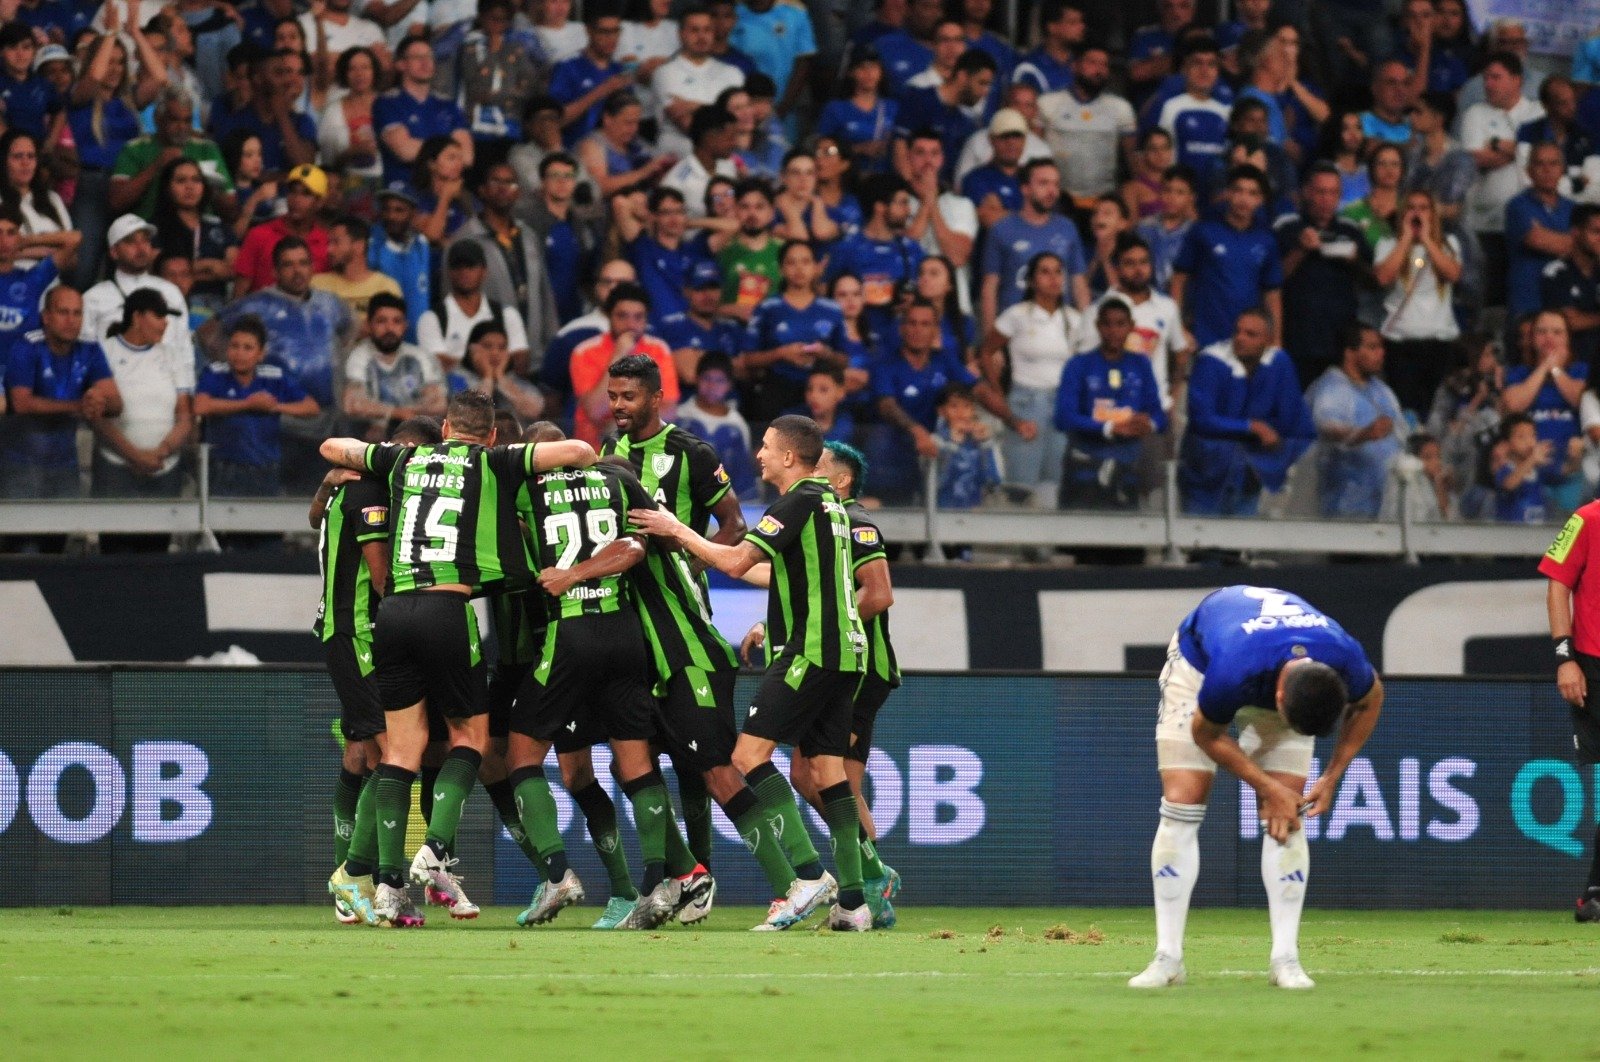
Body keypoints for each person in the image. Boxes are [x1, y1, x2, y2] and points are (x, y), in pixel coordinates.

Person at [317, 390, 599, 928]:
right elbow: (582, 452)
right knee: (470, 736)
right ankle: (436, 848)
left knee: (402, 748)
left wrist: (359, 457)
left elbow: (333, 445)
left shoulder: (402, 458)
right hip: (448, 609)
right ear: (491, 434)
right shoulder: (494, 459)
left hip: (393, 611)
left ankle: (389, 887)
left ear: (445, 427)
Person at [629, 413, 871, 930]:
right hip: (849, 650)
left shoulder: (798, 500)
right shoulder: (832, 504)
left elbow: (737, 562)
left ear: (788, 456)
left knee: (746, 755)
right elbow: (781, 569)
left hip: (809, 650)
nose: (757, 455)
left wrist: (676, 529)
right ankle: (854, 902)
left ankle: (807, 877)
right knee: (829, 773)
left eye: (764, 446)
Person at [602, 353, 816, 919]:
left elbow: (734, 528)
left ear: (655, 397)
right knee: (633, 764)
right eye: (613, 395)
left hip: (687, 638)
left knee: (717, 769)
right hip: (630, 637)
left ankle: (791, 882)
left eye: (628, 397)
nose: (618, 406)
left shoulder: (691, 453)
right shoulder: (608, 456)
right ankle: (679, 876)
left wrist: (684, 557)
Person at [1129, 585, 1384, 991]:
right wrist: (1266, 786)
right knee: (1182, 801)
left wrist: (1331, 776)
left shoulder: (1345, 657)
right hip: (1199, 665)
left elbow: (1371, 700)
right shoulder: (1232, 671)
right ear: (1280, 698)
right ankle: (1168, 957)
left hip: (1272, 651)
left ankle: (1286, 959)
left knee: (1288, 815)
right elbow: (1207, 734)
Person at [314, 413, 444, 926]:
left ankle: (359, 884)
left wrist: (324, 487)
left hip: (344, 630)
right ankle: (355, 874)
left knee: (370, 754)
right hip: (359, 634)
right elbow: (381, 574)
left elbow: (313, 521)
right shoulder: (373, 490)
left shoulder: (349, 486)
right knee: (395, 753)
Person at [218, 235, 354, 489]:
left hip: (326, 422)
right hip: (277, 421)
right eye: (288, 265)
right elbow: (210, 335)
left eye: (303, 263)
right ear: (275, 270)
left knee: (318, 498)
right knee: (276, 499)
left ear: (313, 266)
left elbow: (350, 333)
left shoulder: (332, 304)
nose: (297, 271)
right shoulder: (255, 305)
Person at [872, 297, 1032, 504]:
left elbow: (980, 390)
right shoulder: (886, 364)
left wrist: (1014, 421)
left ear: (935, 330)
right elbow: (887, 406)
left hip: (939, 452)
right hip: (895, 454)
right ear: (902, 328)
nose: (918, 330)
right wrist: (916, 430)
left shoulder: (945, 360)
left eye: (925, 324)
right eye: (912, 323)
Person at [1180, 308, 1314, 517]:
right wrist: (1252, 427)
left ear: (1268, 341)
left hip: (1249, 478)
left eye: (1250, 334)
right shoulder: (1210, 361)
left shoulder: (1279, 363)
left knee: (1241, 543)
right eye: (1237, 331)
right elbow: (1201, 420)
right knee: (1199, 542)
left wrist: (1273, 464)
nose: (1240, 338)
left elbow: (1295, 423)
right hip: (1206, 476)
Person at [1, 286, 122, 501]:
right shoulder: (27, 345)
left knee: (62, 533)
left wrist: (97, 400)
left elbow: (116, 404)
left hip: (66, 464)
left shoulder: (90, 349)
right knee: (23, 534)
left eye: (77, 313)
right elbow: (22, 404)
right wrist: (79, 406)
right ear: (46, 317)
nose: (71, 320)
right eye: (63, 312)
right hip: (21, 464)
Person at [1541, 478, 1600, 917]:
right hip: (1594, 663)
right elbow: (1557, 585)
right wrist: (1565, 657)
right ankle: (1593, 891)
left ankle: (1592, 893)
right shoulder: (1585, 519)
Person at [980, 250, 1076, 505]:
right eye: (1045, 272)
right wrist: (998, 392)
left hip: (1061, 404)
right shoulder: (1018, 314)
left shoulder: (1074, 319)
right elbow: (986, 352)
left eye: (1058, 271)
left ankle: (1046, 541)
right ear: (1031, 280)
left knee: (1054, 479)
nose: (1053, 278)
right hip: (1026, 401)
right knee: (1021, 482)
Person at [1056, 298, 1166, 510]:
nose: (1113, 331)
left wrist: (1148, 424)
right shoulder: (1079, 364)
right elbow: (1063, 417)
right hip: (1085, 467)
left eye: (1120, 324)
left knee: (1126, 538)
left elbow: (1158, 414)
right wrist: (1109, 427)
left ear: (1131, 327)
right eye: (1107, 324)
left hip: (1129, 468)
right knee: (1079, 538)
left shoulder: (1141, 363)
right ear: (1098, 326)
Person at [88, 287, 193, 507]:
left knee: (158, 540)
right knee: (115, 539)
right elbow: (96, 417)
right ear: (137, 317)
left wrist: (161, 452)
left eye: (166, 317)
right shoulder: (103, 353)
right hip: (115, 467)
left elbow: (184, 415)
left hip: (165, 467)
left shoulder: (173, 356)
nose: (164, 323)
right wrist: (134, 455)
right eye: (158, 316)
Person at [449, 161, 560, 368]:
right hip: (485, 360)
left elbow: (544, 293)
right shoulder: (466, 239)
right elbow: (452, 300)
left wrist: (552, 345)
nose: (503, 188)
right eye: (496, 181)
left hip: (533, 353)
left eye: (510, 183)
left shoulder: (528, 235)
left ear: (518, 192)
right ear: (481, 190)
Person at [193, 313, 318, 495]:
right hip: (222, 470)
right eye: (234, 346)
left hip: (265, 469)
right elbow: (200, 406)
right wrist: (248, 404)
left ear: (261, 354)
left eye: (247, 348)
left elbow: (311, 407)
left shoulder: (274, 376)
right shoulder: (215, 372)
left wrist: (274, 407)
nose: (239, 354)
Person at [1274, 163, 1372, 386]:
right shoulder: (1287, 226)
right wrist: (1300, 250)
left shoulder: (1351, 230)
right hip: (1297, 336)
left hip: (1340, 338)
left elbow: (1372, 281)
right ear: (1307, 192)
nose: (1327, 199)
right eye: (1321, 192)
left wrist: (1354, 260)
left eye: (1333, 193)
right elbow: (1273, 280)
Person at [1461, 51, 1544, 306]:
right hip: (1488, 224)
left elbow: (1542, 158)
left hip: (1532, 225)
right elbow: (1474, 159)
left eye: (1496, 78)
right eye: (1486, 78)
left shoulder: (1537, 112)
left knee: (1526, 298)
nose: (1488, 84)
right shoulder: (1475, 113)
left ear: (1517, 80)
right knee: (1490, 297)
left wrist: (1496, 145)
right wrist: (1521, 149)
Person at [1170, 165, 1283, 351]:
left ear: (1260, 200)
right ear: (1228, 193)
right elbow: (1178, 280)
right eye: (1238, 191)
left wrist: (1276, 339)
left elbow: (1272, 294)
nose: (1244, 199)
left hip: (1248, 343)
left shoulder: (1267, 241)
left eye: (1252, 193)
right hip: (1205, 339)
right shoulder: (1203, 231)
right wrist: (1178, 328)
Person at [1375, 189, 1463, 417]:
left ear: (1433, 214)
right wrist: (1405, 238)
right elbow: (1384, 277)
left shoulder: (1449, 244)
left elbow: (1452, 274)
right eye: (1411, 207)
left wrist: (1426, 239)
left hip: (1439, 342)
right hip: (1401, 343)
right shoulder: (1387, 244)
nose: (1417, 213)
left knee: (1435, 413)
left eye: (1424, 208)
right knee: (1406, 413)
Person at [1306, 323, 1406, 519]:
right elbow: (1327, 428)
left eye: (1381, 347)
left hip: (1385, 505)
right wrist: (1363, 434)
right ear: (1350, 353)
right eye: (1372, 347)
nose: (1381, 353)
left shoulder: (1383, 390)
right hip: (1345, 505)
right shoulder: (1332, 388)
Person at [742, 239, 847, 424]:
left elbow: (844, 360)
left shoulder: (832, 309)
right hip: (776, 390)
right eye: (791, 262)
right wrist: (780, 354)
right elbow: (748, 359)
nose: (799, 269)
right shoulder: (767, 308)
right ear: (781, 269)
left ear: (816, 267)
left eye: (805, 262)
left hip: (820, 394)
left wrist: (825, 353)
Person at [1080, 234, 1189, 412]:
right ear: (1117, 268)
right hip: (1110, 409)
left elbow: (1181, 354)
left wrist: (1171, 397)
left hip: (1154, 409)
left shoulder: (1167, 307)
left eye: (1144, 262)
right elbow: (1085, 361)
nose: (1139, 270)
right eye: (1130, 263)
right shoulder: (1097, 309)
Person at [979, 159, 1087, 334]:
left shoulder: (1067, 228)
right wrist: (990, 340)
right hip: (1014, 329)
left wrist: (1086, 329)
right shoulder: (1001, 229)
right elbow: (990, 287)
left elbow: (1078, 282)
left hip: (1059, 328)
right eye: (1043, 183)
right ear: (1025, 188)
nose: (1052, 191)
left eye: (1056, 184)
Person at [568, 281, 678, 446]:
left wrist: (629, 423)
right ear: (608, 316)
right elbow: (596, 411)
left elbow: (669, 410)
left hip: (645, 450)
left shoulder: (658, 349)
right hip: (595, 450)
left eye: (638, 317)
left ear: (646, 318)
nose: (630, 324)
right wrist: (619, 355)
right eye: (622, 316)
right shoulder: (585, 352)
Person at [80, 214, 193, 374]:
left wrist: (187, 390)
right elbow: (84, 353)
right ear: (114, 252)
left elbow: (184, 348)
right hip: (116, 384)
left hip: (165, 383)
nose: (141, 248)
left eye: (145, 240)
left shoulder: (171, 292)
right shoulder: (93, 298)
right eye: (130, 241)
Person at [1501, 310, 1588, 513]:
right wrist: (1544, 368)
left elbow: (1581, 400)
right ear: (1532, 339)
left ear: (1567, 338)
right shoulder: (1519, 373)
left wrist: (1556, 370)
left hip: (1572, 472)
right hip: (1529, 472)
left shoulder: (1580, 370)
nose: (1549, 337)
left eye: (1557, 332)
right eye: (1542, 332)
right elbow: (1514, 406)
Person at [824, 173, 923, 340]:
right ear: (880, 207)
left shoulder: (912, 250)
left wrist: (914, 300)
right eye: (902, 203)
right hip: (856, 340)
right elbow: (825, 290)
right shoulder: (847, 248)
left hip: (898, 340)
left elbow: (923, 294)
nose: (908, 210)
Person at [1038, 44, 1136, 210]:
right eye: (1092, 63)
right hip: (1057, 200)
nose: (1099, 70)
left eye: (1104, 65)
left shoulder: (1121, 108)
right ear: (1075, 66)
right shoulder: (1048, 104)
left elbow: (1132, 159)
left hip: (1103, 201)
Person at [416, 239, 530, 375]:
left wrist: (475, 364)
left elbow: (520, 360)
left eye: (471, 266)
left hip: (502, 392)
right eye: (457, 266)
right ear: (449, 272)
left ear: (484, 271)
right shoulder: (431, 319)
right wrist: (488, 365)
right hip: (455, 394)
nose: (464, 272)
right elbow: (437, 364)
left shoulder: (507, 314)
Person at [342, 292, 446, 439]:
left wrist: (403, 416)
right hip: (370, 441)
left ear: (405, 326)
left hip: (417, 437)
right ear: (368, 324)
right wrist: (398, 413)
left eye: (397, 321)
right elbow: (352, 404)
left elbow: (439, 404)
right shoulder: (358, 357)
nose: (389, 328)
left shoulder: (419, 357)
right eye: (381, 321)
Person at [652, 7, 744, 161]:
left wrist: (694, 106)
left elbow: (740, 121)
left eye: (707, 30)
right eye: (694, 30)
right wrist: (723, 111)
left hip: (725, 158)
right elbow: (689, 125)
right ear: (681, 34)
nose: (701, 36)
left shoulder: (733, 73)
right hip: (677, 158)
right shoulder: (665, 73)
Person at [891, 50, 996, 184]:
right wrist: (913, 187)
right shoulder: (919, 100)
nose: (985, 92)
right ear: (962, 76)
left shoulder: (962, 121)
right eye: (982, 83)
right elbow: (899, 147)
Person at [526, 151, 605, 328]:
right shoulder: (529, 224)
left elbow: (588, 272)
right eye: (554, 176)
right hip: (540, 316)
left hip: (574, 313)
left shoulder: (582, 226)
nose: (562, 182)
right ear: (543, 182)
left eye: (568, 176)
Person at [149, 157, 235, 315]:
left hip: (218, 308)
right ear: (167, 187)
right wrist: (208, 265)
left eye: (196, 180)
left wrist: (189, 271)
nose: (190, 187)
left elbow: (231, 269)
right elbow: (158, 272)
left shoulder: (219, 227)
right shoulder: (154, 228)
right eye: (181, 181)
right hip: (170, 305)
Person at [234, 162, 330, 296]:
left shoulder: (327, 242)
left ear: (320, 202)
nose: (296, 199)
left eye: (306, 194)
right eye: (292, 191)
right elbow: (239, 294)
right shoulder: (259, 235)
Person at [0, 204, 77, 367]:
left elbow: (74, 239)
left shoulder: (32, 280)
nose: (3, 240)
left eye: (11, 233)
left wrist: (27, 242)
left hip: (20, 378)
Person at [1505, 143, 1574, 324]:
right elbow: (1538, 239)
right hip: (1528, 304)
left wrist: (1551, 237)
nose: (1547, 170)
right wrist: (1573, 241)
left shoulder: (1573, 208)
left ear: (1562, 170)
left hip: (1564, 303)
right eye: (1540, 164)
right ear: (1529, 171)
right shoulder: (1517, 206)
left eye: (1553, 164)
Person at [549, 6, 633, 148]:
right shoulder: (568, 67)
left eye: (616, 31)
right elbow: (556, 120)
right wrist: (600, 91)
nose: (611, 38)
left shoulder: (619, 70)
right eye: (604, 32)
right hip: (576, 149)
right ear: (588, 30)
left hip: (617, 152)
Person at [729, 0, 814, 132]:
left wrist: (784, 106)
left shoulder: (795, 12)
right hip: (741, 108)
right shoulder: (733, 11)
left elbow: (804, 59)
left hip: (783, 104)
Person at [0, 130, 75, 274]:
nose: (25, 162)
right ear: (3, 161)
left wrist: (23, 245)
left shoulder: (52, 199)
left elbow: (72, 258)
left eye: (31, 156)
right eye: (17, 156)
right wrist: (51, 250)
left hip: (52, 286)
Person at [1156, 39, 1231, 176]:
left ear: (1218, 71)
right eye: (1198, 63)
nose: (1204, 70)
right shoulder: (1171, 107)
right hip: (1180, 193)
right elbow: (1161, 156)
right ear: (1185, 68)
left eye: (1211, 64)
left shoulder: (1226, 111)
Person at [711, 178, 782, 321]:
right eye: (745, 207)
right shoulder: (721, 249)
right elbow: (701, 303)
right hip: (729, 332)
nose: (752, 214)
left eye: (759, 207)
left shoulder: (784, 250)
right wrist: (732, 309)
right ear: (736, 210)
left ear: (772, 212)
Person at [311, 215, 401, 326]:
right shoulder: (316, 284)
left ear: (359, 246)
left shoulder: (386, 287)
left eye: (336, 242)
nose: (329, 250)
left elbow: (390, 328)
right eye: (329, 243)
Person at [818, 48, 896, 177]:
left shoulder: (893, 108)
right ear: (851, 72)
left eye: (873, 67)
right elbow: (822, 148)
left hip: (885, 178)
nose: (869, 73)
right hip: (848, 178)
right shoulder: (835, 109)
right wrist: (858, 149)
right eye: (862, 68)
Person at [1543, 205, 1600, 370]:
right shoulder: (1556, 272)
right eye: (1596, 232)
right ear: (1576, 233)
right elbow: (1568, 321)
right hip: (1573, 364)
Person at [369, 187, 431, 341]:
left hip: (421, 341)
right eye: (387, 209)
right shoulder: (373, 247)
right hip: (386, 340)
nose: (391, 216)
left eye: (399, 210)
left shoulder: (422, 244)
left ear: (413, 213)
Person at [661, 104, 739, 221]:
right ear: (709, 138)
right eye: (730, 138)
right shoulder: (676, 182)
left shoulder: (729, 165)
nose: (735, 144)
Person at [1136, 164, 1197, 292]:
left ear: (1191, 198)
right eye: (1167, 190)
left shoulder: (1195, 233)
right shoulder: (1144, 227)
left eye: (1180, 192)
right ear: (1160, 193)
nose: (1172, 197)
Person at [1012, 0, 1082, 96]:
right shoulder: (1029, 67)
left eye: (1081, 22)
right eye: (1073, 22)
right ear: (1052, 27)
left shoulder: (1079, 65)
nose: (1081, 27)